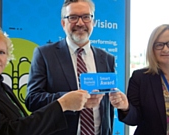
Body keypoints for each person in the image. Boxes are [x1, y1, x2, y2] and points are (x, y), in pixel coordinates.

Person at [0, 26, 91, 135]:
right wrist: (62, 104)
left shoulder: (1, 87)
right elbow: (5, 132)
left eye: (2, 52)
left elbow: (22, 124)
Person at [25, 0, 115, 135]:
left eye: (86, 17)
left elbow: (107, 108)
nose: (80, 23)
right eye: (73, 17)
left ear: (93, 22)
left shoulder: (107, 58)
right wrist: (67, 100)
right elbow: (32, 100)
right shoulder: (45, 54)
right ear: (63, 23)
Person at [110, 23, 169, 134]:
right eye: (159, 45)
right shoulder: (140, 78)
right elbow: (135, 119)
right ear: (152, 49)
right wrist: (126, 107)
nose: (165, 49)